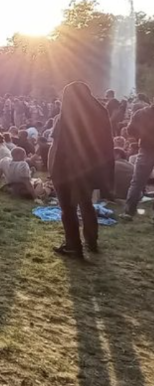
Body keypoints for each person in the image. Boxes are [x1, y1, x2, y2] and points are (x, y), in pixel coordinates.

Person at [49, 81, 114, 256]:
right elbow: (106, 143)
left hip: (67, 169)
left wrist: (54, 170)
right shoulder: (100, 113)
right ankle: (91, 241)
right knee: (86, 203)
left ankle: (73, 245)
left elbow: (57, 143)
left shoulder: (68, 115)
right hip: (89, 168)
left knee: (68, 208)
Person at [120, 96, 154, 221]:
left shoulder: (141, 113)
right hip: (146, 149)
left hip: (146, 149)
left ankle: (129, 212)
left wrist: (141, 136)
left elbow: (130, 130)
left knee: (138, 182)